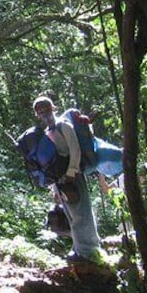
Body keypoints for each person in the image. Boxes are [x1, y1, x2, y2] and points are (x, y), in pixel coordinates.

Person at [32, 95, 102, 264]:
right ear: (37, 114)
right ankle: (79, 249)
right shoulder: (47, 133)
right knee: (70, 215)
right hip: (60, 179)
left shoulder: (64, 125)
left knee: (82, 212)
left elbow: (75, 149)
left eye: (46, 109)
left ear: (53, 109)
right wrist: (54, 187)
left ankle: (89, 251)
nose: (44, 113)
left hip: (73, 176)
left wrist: (71, 172)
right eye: (40, 111)